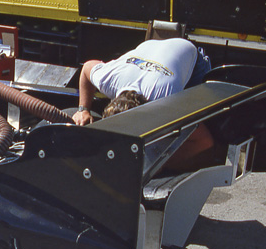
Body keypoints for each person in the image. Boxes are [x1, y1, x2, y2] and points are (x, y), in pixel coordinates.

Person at [75, 37, 214, 168]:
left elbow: (204, 141)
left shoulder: (167, 103)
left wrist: (161, 162)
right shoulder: (108, 80)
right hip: (150, 49)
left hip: (192, 58)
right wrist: (83, 110)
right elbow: (87, 67)